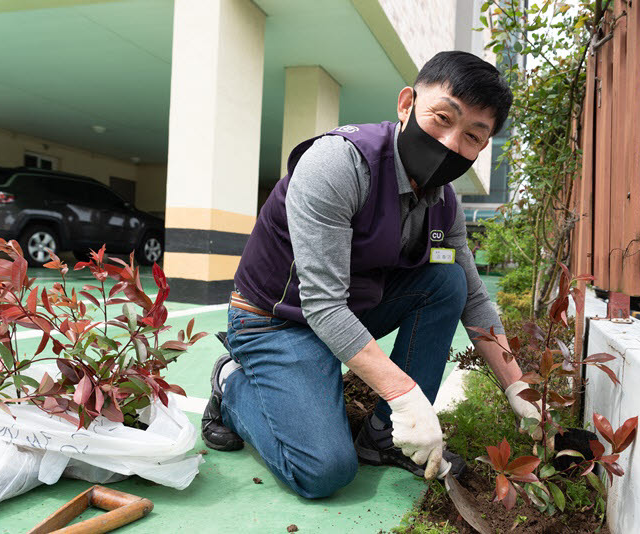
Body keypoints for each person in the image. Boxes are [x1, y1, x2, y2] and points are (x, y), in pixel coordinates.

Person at [201, 51, 540, 499]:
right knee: (323, 471)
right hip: (275, 320)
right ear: (406, 105)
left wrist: (519, 387)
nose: (452, 143)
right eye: (442, 118)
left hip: (347, 312)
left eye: (474, 136)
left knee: (449, 280)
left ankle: (382, 436)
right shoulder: (338, 165)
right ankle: (232, 386)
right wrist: (405, 393)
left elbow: (474, 301)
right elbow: (322, 305)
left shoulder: (444, 202)